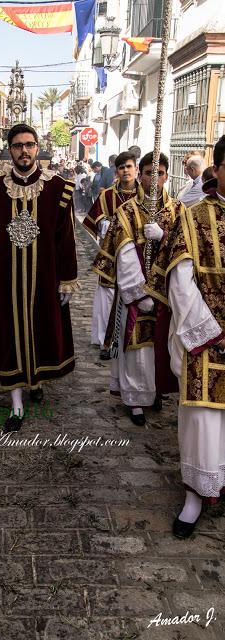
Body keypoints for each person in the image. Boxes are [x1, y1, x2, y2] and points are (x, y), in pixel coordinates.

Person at [0, 123, 78, 433]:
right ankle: (16, 402)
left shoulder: (59, 187)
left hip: (45, 275)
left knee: (41, 328)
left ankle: (36, 380)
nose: (24, 150)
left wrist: (68, 278)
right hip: (9, 277)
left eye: (29, 144)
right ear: (10, 150)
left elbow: (66, 238)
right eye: (18, 145)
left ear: (37, 148)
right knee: (11, 332)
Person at [146, 136, 225, 538]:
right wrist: (206, 330)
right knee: (201, 419)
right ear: (219, 169)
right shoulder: (194, 218)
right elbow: (180, 281)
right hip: (208, 337)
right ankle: (195, 494)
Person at [93, 151, 184, 426]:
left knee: (161, 345)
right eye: (148, 173)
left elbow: (187, 250)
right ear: (140, 175)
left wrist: (165, 236)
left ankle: (155, 392)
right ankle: (134, 399)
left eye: (159, 173)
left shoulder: (179, 210)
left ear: (166, 175)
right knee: (136, 346)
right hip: (138, 291)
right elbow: (124, 252)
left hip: (168, 291)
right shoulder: (127, 211)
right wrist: (138, 291)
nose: (153, 178)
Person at [83, 151, 139, 359]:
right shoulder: (107, 195)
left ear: (136, 169)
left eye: (129, 166)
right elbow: (94, 218)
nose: (126, 170)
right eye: (122, 167)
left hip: (137, 256)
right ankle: (104, 341)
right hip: (110, 255)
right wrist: (102, 224)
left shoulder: (146, 195)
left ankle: (129, 339)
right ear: (116, 171)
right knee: (107, 297)